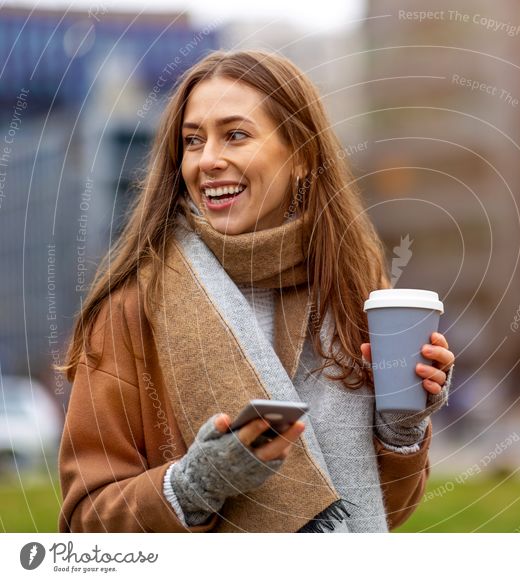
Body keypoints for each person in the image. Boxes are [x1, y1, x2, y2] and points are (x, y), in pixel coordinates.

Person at [57, 50, 455, 533]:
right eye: (192, 141)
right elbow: (85, 522)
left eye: (236, 135)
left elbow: (384, 513)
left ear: (303, 155)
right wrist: (194, 484)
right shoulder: (131, 308)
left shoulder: (354, 292)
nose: (208, 161)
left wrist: (402, 426)